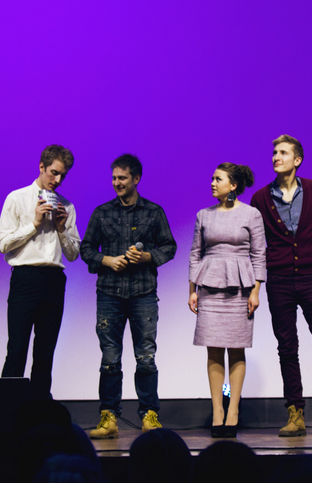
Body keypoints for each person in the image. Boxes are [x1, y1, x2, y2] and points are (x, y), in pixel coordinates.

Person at [250, 135, 312, 437]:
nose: (276, 157)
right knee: (287, 347)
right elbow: (256, 243)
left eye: (283, 152)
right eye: (274, 152)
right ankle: (295, 413)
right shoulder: (261, 198)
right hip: (279, 281)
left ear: (297, 160)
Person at [81, 154, 177, 439]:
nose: (116, 183)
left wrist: (148, 257)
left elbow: (169, 246)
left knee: (146, 357)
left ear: (136, 178)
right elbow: (86, 249)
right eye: (113, 178)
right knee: (110, 358)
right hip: (109, 294)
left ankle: (149, 415)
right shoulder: (101, 212)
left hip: (143, 293)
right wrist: (107, 260)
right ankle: (108, 416)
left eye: (122, 178)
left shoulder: (154, 212)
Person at [189, 163, 266, 438]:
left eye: (218, 179)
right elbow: (195, 253)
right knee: (213, 350)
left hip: (240, 288)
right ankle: (217, 411)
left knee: (236, 349)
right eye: (212, 178)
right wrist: (192, 289)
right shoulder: (203, 215)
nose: (212, 182)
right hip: (209, 287)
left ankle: (233, 410)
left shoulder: (251, 214)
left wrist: (256, 290)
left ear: (233, 185)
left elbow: (259, 254)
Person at [0, 145, 80, 400]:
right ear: (41, 167)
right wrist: (34, 224)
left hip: (54, 280)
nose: (58, 180)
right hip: (25, 278)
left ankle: (40, 411)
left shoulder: (67, 206)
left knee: (45, 353)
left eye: (63, 175)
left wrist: (61, 228)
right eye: (54, 173)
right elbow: (3, 244)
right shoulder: (17, 198)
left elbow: (73, 254)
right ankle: (7, 410)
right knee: (17, 349)